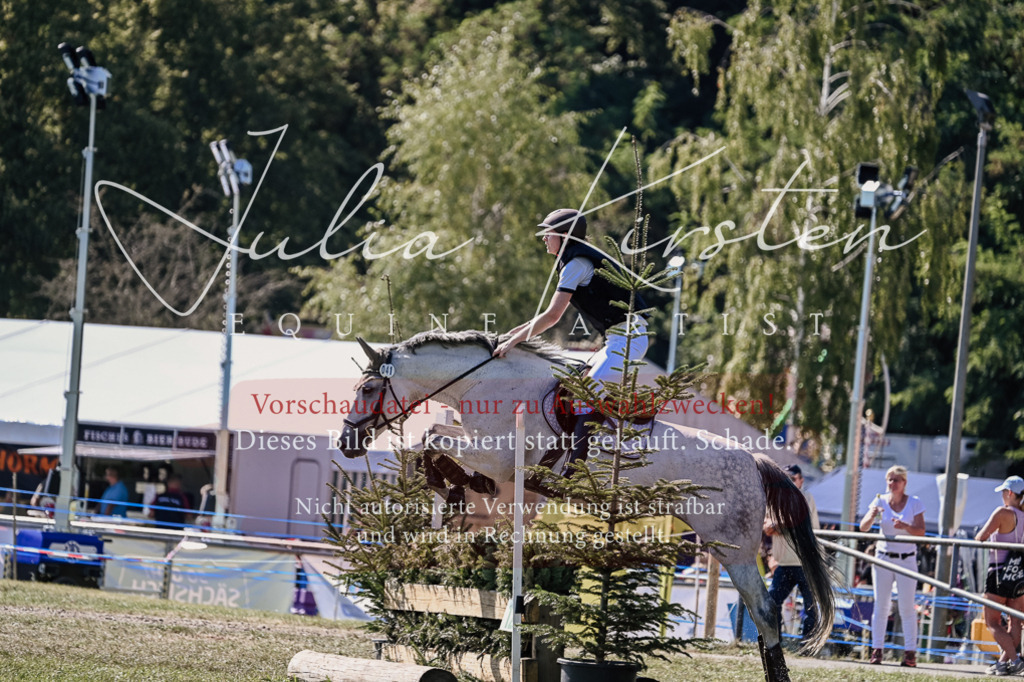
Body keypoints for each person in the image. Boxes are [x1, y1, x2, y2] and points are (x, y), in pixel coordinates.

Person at [493, 208, 648, 476]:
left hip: (629, 338)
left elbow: (552, 316)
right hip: (616, 338)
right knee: (571, 390)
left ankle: (575, 471)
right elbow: (545, 315)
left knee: (588, 393)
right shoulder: (572, 260)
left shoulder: (576, 264)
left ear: (564, 236)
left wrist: (515, 341)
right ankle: (554, 462)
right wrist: (514, 333)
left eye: (548, 233)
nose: (543, 237)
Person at [859, 465, 926, 667]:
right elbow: (863, 527)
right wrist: (872, 514)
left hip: (906, 558)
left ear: (904, 483)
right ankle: (877, 650)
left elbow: (921, 531)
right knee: (881, 605)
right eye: (889, 479)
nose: (892, 483)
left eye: (896, 480)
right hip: (883, 556)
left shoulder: (914, 502)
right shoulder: (879, 500)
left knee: (906, 607)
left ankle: (910, 654)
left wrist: (905, 526)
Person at [764, 464, 820, 646]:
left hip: (806, 562)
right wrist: (778, 526)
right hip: (784, 563)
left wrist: (777, 526)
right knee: (772, 602)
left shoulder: (806, 497)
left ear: (801, 481)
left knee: (810, 607)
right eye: (785, 477)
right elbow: (767, 527)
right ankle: (775, 643)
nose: (788, 481)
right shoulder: (775, 499)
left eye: (792, 478)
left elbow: (796, 524)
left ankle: (807, 645)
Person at [975, 475, 1024, 676]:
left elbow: (981, 537)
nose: (1003, 496)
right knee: (1015, 621)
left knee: (992, 621)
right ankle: (1004, 663)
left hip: (998, 571)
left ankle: (1014, 659)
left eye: (1004, 492)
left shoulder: (1003, 512)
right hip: (1020, 571)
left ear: (1010, 493)